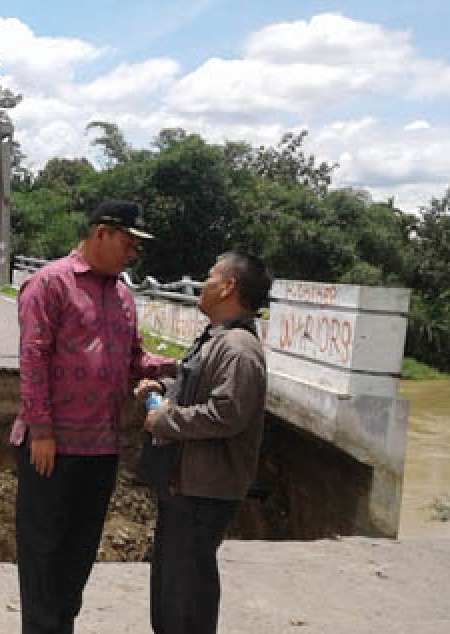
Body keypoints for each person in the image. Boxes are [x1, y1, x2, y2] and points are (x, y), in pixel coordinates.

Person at [11, 200, 177, 634]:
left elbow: (134, 358)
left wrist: (183, 364)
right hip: (52, 448)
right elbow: (33, 359)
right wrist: (41, 431)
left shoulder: (122, 293)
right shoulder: (49, 284)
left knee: (78, 555)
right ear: (101, 233)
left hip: (101, 448)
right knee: (43, 556)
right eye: (128, 242)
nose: (132, 252)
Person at [141, 251, 272, 634]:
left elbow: (226, 414)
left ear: (229, 286)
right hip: (186, 486)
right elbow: (196, 390)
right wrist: (164, 389)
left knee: (186, 600)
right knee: (172, 591)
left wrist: (165, 420)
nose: (204, 282)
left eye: (211, 275)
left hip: (203, 492)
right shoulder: (218, 339)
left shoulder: (239, 349)